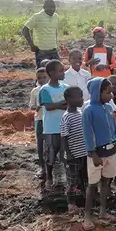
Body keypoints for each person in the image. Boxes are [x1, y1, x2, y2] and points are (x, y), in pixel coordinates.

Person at [82, 77, 116, 230]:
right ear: (96, 92)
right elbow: (87, 133)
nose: (111, 96)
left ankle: (103, 211)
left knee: (106, 182)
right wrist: (92, 152)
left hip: (111, 151)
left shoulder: (109, 108)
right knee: (92, 185)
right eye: (107, 92)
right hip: (96, 154)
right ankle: (87, 216)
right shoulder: (89, 111)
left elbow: (114, 129)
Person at [39, 60, 68, 189]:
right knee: (50, 153)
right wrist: (62, 104)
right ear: (52, 73)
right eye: (60, 70)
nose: (63, 72)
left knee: (64, 152)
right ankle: (49, 176)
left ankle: (63, 177)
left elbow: (68, 104)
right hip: (51, 128)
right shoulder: (45, 89)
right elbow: (48, 106)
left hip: (64, 126)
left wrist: (60, 105)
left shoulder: (65, 87)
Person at [60, 87, 88, 214]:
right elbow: (64, 137)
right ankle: (71, 204)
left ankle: (83, 200)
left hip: (84, 153)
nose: (82, 99)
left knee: (84, 178)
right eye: (79, 96)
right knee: (72, 180)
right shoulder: (66, 117)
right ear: (69, 100)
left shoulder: (80, 114)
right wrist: (68, 153)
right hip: (73, 155)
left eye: (82, 96)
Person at [22, 0, 60, 68]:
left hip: (54, 50)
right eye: (49, 7)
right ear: (44, 7)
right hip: (42, 51)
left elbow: (55, 30)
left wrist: (56, 44)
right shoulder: (37, 17)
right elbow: (25, 30)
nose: (52, 9)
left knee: (56, 72)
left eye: (53, 7)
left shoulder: (56, 16)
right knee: (43, 73)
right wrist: (31, 45)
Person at [30, 67, 49, 179]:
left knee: (51, 144)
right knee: (40, 144)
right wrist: (36, 107)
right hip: (40, 119)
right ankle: (42, 167)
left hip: (50, 120)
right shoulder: (35, 91)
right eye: (39, 78)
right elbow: (31, 105)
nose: (42, 80)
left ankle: (51, 166)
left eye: (44, 77)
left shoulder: (51, 89)